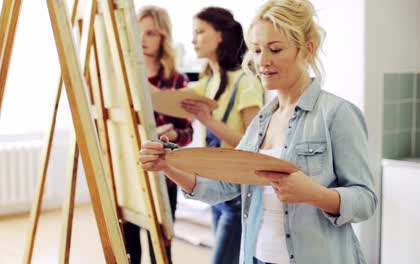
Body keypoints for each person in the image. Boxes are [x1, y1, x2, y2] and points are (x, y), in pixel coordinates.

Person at [139, 0, 378, 263]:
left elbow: (365, 200)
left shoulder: (337, 114)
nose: (262, 61)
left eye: (275, 49)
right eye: (256, 50)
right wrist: (168, 166)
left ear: (307, 49)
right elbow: (225, 186)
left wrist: (313, 193)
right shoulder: (262, 121)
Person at [180, 7, 264, 264]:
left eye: (200, 32)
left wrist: (208, 120)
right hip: (214, 187)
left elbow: (252, 145)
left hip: (236, 192)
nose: (193, 39)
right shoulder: (208, 80)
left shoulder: (246, 80)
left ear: (220, 36)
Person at [124, 5, 193, 264]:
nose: (142, 39)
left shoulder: (177, 80)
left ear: (163, 37)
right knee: (130, 247)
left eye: (151, 33)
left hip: (165, 175)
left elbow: (187, 132)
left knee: (161, 249)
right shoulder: (123, 77)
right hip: (129, 173)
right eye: (138, 32)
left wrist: (172, 133)